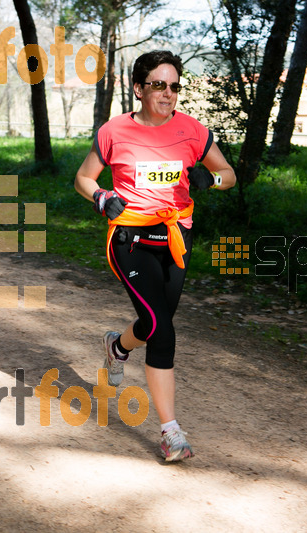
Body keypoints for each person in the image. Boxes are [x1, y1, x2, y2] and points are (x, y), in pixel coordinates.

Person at [74, 50, 236, 462]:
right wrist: (101, 197)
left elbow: (230, 175)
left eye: (175, 86)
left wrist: (210, 178)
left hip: (175, 236)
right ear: (139, 88)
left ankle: (117, 347)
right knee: (162, 329)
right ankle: (171, 432)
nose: (168, 93)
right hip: (129, 238)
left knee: (153, 321)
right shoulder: (114, 131)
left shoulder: (193, 131)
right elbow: (84, 177)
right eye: (159, 85)